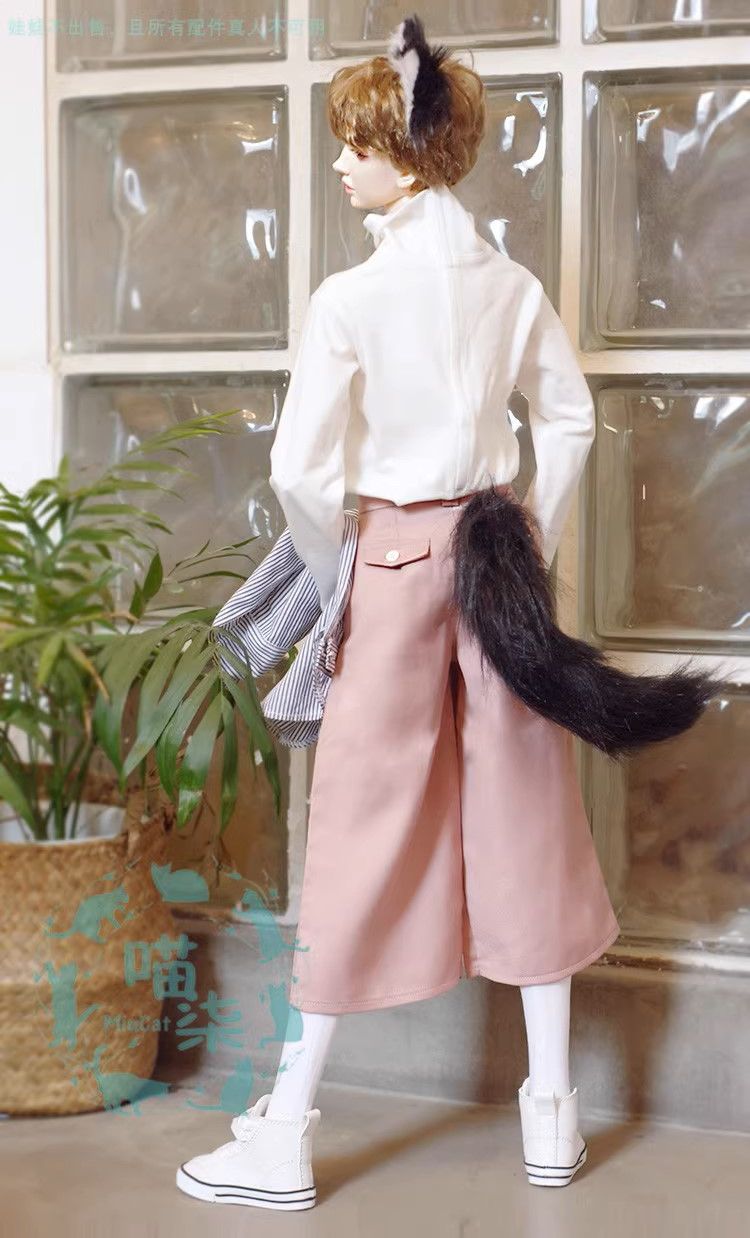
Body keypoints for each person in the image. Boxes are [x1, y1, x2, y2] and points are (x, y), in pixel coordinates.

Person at [176, 14, 721, 1211]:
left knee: (358, 826)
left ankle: (286, 1128)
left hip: (394, 558)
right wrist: (533, 535)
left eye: (356, 145)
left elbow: (299, 471)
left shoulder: (352, 298)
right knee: (528, 813)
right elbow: (566, 419)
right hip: (494, 556)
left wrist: (341, 565)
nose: (339, 164)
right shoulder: (508, 285)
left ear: (404, 153)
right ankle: (551, 1111)